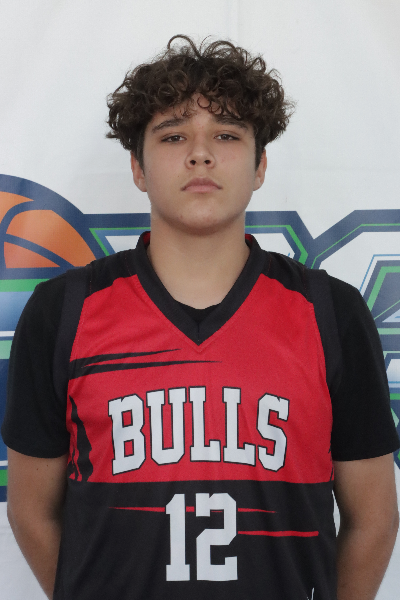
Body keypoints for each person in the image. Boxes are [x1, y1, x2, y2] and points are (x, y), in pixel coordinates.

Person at [2, 35, 399, 600]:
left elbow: (374, 519)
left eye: (227, 135)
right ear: (138, 168)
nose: (200, 154)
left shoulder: (330, 313)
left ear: (260, 166)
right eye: (173, 136)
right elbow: (31, 512)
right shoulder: (63, 311)